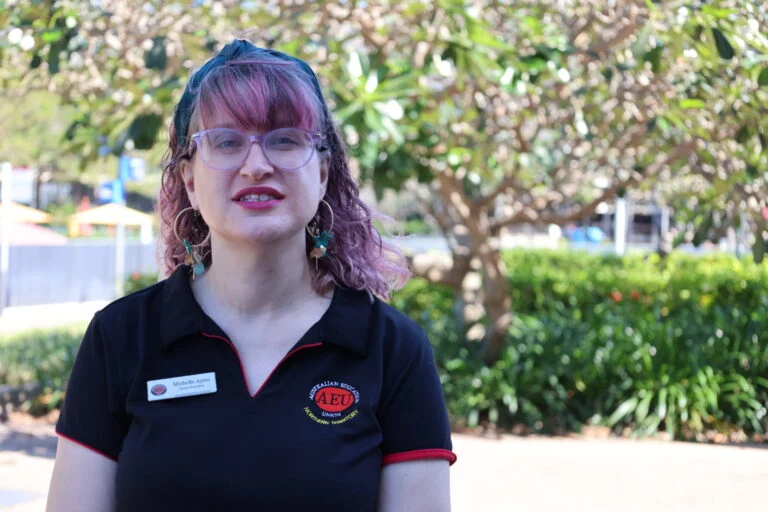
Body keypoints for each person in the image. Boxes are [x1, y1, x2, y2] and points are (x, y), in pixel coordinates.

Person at [47, 39, 456, 512]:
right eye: (226, 141)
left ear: (322, 173)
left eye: (284, 139)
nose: (257, 165)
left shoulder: (392, 349)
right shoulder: (120, 337)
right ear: (190, 182)